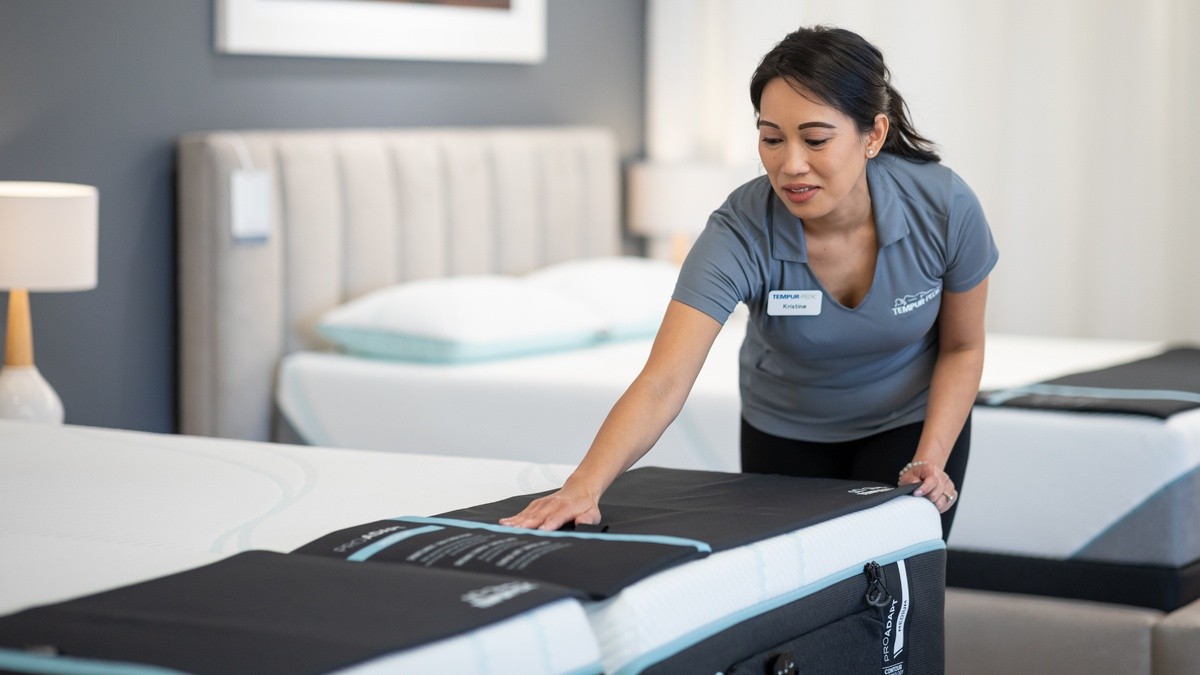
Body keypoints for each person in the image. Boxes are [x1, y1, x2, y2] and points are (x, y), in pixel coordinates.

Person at [501, 25, 998, 540]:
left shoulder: (943, 206)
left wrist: (930, 457)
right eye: (772, 139)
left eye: (816, 139)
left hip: (911, 424)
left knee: (900, 588)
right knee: (793, 597)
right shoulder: (740, 230)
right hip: (786, 429)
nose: (791, 165)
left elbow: (963, 346)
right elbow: (664, 381)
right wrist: (583, 485)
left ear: (872, 134)